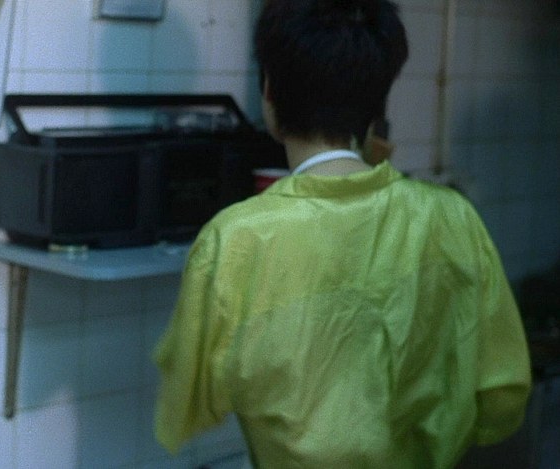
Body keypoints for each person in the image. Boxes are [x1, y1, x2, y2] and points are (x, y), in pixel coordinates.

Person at [152, 0, 533, 467]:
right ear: (377, 102)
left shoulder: (235, 239)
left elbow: (187, 404)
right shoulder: (452, 218)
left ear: (269, 92)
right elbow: (502, 396)